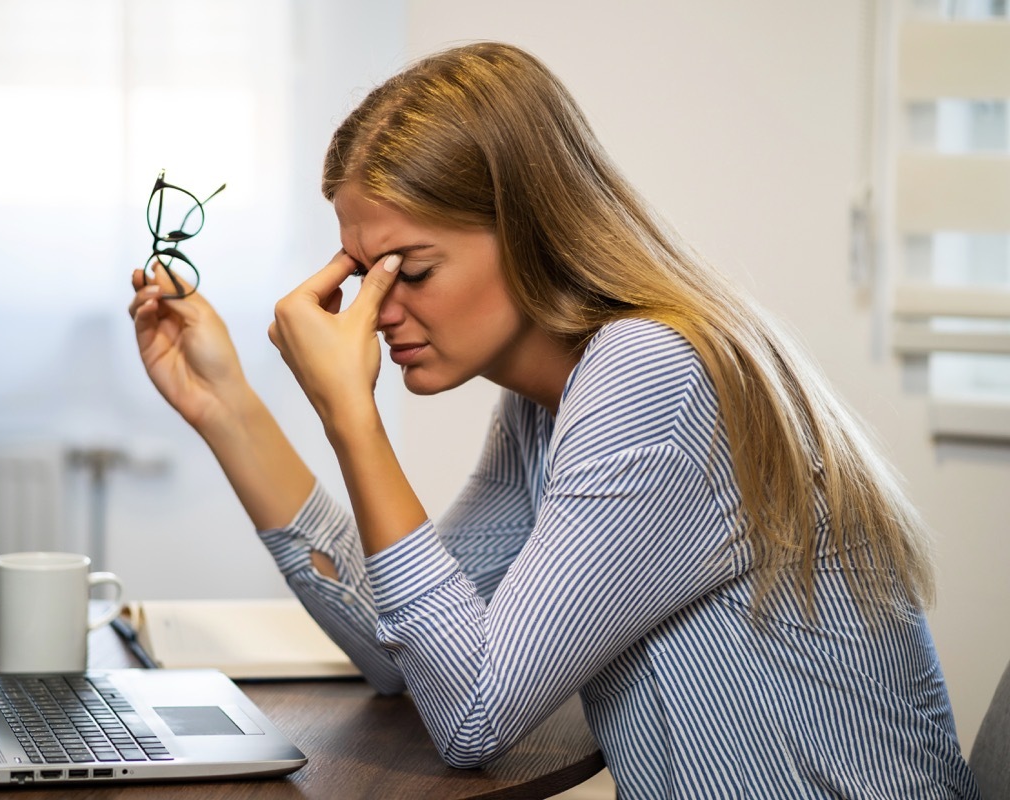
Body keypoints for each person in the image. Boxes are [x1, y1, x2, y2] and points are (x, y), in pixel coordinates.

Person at [129, 42, 978, 798]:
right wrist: (227, 406)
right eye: (364, 276)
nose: (375, 314)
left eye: (410, 272)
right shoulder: (548, 408)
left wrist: (352, 417)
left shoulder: (650, 378)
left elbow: (474, 713)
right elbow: (407, 654)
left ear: (531, 231)